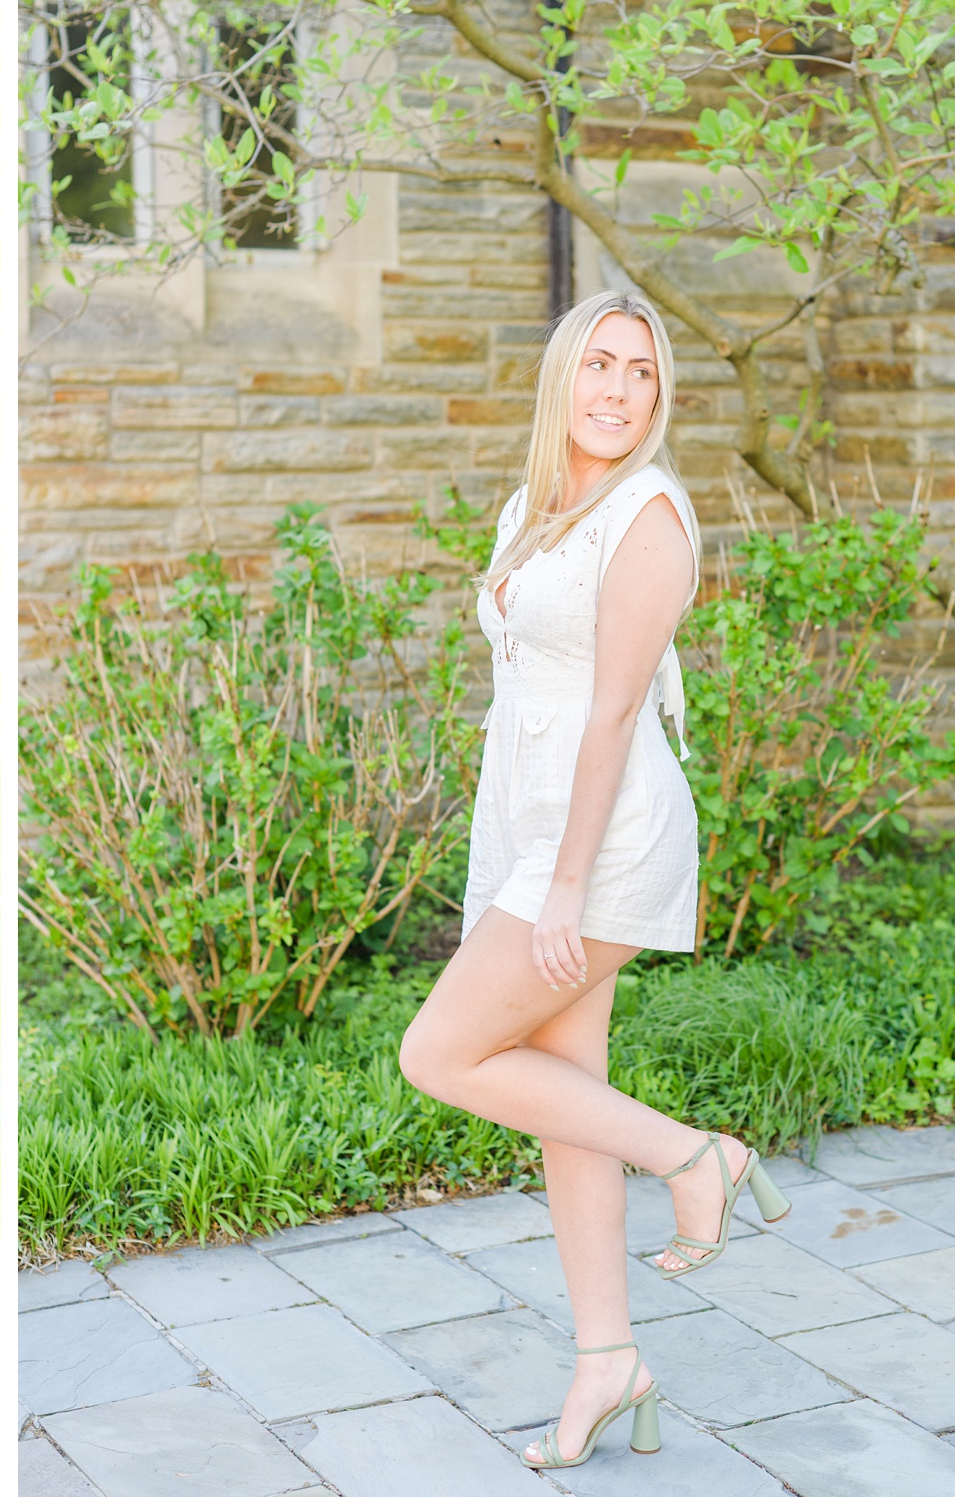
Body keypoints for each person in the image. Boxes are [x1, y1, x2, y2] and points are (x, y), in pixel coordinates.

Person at [395, 290, 790, 1472]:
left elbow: (615, 712)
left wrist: (563, 887)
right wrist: (525, 856)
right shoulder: (535, 503)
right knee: (566, 1100)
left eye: (644, 374)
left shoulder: (650, 514)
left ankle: (698, 1155)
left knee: (439, 1053)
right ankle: (608, 1361)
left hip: (603, 836)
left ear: (661, 399)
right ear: (564, 376)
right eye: (601, 365)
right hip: (532, 829)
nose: (619, 391)